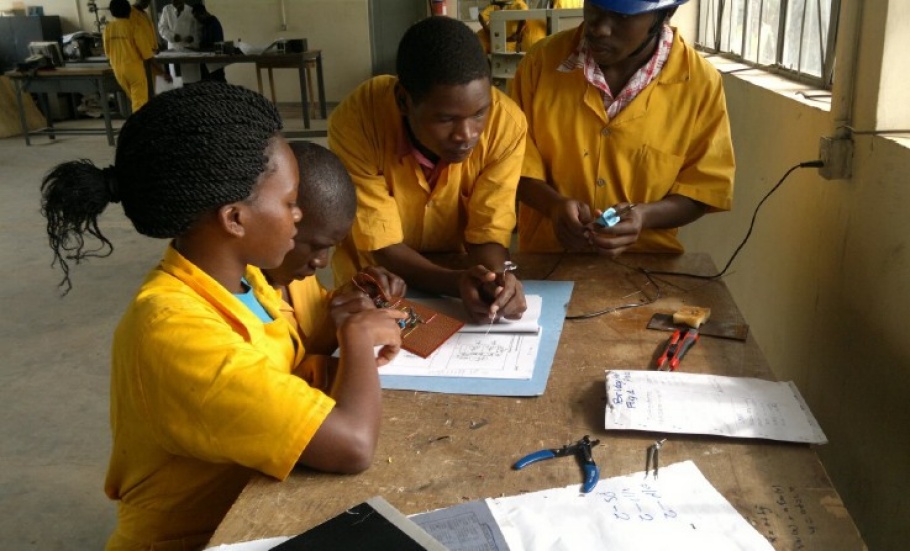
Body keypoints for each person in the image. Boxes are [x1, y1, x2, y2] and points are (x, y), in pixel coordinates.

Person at [40, 83, 406, 550]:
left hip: (253, 509)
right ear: (234, 218)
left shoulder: (247, 280)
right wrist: (355, 338)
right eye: (291, 203)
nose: (298, 218)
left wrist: (345, 321)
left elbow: (280, 361)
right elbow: (353, 445)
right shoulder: (173, 331)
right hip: (199, 539)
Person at [329, 16, 528, 325]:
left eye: (479, 113)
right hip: (376, 286)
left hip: (460, 278)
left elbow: (489, 231)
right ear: (403, 101)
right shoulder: (359, 120)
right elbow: (381, 243)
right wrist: (456, 283)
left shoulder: (506, 124)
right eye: (446, 119)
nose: (467, 134)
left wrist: (493, 282)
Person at [511, 0, 735, 256]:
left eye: (621, 17)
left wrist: (644, 217)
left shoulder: (700, 84)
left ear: (664, 14)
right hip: (548, 257)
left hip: (647, 265)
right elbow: (511, 163)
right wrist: (553, 206)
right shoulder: (540, 64)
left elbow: (702, 190)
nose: (600, 29)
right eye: (594, 7)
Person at [263, 141, 407, 359]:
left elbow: (315, 312)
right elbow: (274, 387)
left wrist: (353, 294)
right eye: (316, 247)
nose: (322, 262)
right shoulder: (242, 303)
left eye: (330, 247)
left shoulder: (292, 274)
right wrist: (324, 343)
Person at [103, 0, 169, 111]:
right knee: (140, 104)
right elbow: (147, 55)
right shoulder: (133, 27)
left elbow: (107, 52)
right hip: (134, 70)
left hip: (118, 70)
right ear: (129, 10)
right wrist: (162, 73)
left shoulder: (108, 29)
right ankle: (139, 126)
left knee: (135, 100)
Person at [157, 0, 200, 81]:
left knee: (190, 79)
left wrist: (192, 38)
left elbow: (197, 30)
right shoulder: (167, 9)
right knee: (176, 80)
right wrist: (172, 36)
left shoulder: (191, 11)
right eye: (173, 1)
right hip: (173, 47)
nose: (174, 3)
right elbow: (162, 28)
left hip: (188, 48)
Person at [192, 2, 227, 82]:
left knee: (218, 83)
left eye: (197, 17)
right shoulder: (206, 24)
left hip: (215, 62)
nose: (197, 20)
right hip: (208, 61)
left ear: (203, 13)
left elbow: (216, 44)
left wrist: (202, 48)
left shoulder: (214, 24)